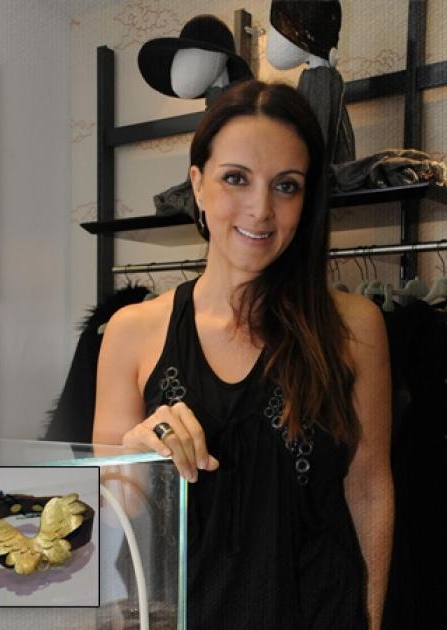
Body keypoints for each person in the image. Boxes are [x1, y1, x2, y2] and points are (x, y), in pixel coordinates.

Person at [93, 79, 393, 630]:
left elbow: (369, 488)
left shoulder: (354, 328)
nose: (261, 209)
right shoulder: (132, 331)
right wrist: (137, 452)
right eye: (236, 178)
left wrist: (371, 622)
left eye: (286, 186)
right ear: (198, 184)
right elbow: (115, 512)